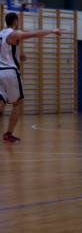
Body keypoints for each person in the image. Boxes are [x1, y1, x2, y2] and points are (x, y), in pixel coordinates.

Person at [0, 12, 62, 143]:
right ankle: (8, 134)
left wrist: (18, 57)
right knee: (18, 103)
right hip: (9, 72)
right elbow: (33, 34)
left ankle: (8, 134)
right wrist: (52, 31)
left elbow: (5, 52)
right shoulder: (13, 33)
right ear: (15, 21)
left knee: (1, 103)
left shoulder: (1, 34)